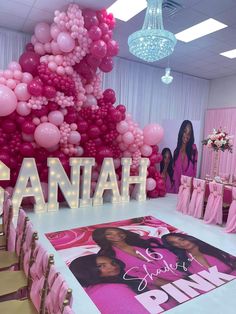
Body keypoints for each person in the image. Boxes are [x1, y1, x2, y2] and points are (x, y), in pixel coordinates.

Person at [92, 227, 186, 291]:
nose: (117, 235)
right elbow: (132, 274)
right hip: (161, 285)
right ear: (102, 237)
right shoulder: (109, 256)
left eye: (119, 232)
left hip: (185, 272)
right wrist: (171, 285)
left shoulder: (145, 239)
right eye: (109, 234)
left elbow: (173, 248)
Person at [69, 254, 150, 313]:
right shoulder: (108, 290)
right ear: (86, 272)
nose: (113, 267)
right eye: (101, 266)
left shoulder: (98, 288)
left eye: (113, 263)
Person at [161, 233, 236, 276]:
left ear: (186, 237)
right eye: (174, 243)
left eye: (181, 239)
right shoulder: (183, 262)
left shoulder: (213, 246)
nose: (181, 243)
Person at [173, 120, 198, 193]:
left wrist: (190, 191)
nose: (186, 135)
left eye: (189, 133)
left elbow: (194, 171)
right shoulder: (176, 152)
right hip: (176, 191)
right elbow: (175, 175)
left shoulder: (193, 149)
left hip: (188, 191)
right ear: (181, 132)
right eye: (185, 131)